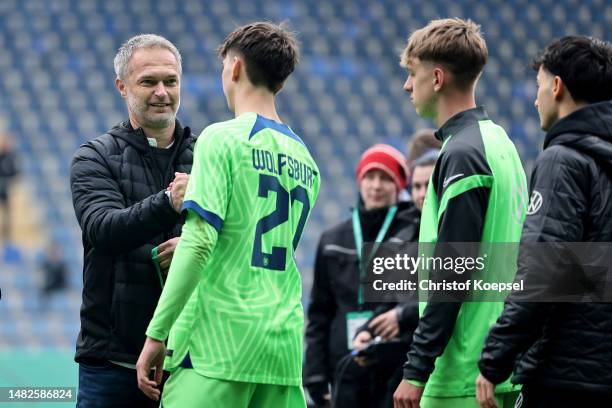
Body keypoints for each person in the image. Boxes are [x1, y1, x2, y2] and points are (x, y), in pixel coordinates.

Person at [136, 22, 320, 408]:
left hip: (217, 346)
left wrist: (157, 333)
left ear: (234, 68)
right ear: (281, 83)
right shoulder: (307, 160)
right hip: (281, 349)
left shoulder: (222, 138)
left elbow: (201, 242)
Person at [393, 18, 528, 408]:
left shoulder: (463, 152)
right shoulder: (501, 144)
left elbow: (453, 268)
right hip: (497, 365)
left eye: (411, 74)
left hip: (462, 375)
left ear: (436, 78)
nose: (406, 86)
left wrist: (417, 369)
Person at [476, 36, 612, 408]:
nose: (536, 99)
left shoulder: (563, 161)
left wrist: (494, 359)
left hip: (566, 374)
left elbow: (542, 273)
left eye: (538, 87)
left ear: (556, 87)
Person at [70, 34, 196, 408]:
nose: (162, 92)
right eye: (148, 82)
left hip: (190, 362)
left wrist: (191, 250)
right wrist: (167, 202)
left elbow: (233, 242)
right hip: (112, 362)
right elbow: (103, 229)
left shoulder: (209, 156)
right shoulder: (94, 157)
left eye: (170, 81)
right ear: (122, 87)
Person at [304, 144, 420, 408]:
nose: (376, 186)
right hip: (344, 368)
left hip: (394, 370)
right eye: (370, 176)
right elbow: (320, 313)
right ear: (359, 181)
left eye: (385, 178)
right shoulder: (332, 239)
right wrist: (315, 375)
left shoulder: (413, 234)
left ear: (399, 185)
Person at [0, 133, 18, 243]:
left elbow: (16, 172)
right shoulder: (1, 157)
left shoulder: (12, 157)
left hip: (7, 186)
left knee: (7, 212)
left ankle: (7, 233)